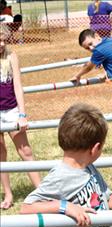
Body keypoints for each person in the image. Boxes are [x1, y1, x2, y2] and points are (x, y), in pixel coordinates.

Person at [0, 24, 41, 210]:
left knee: (25, 151)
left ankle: (41, 191)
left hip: (11, 110)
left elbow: (17, 85)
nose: (2, 44)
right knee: (1, 154)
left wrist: (22, 114)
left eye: (4, 40)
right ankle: (8, 194)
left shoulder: (11, 57)